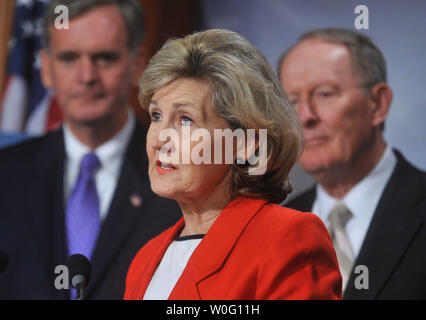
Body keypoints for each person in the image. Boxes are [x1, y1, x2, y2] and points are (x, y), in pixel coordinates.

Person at [123, 29, 342, 300]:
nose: (159, 139)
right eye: (156, 115)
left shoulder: (286, 238)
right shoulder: (145, 258)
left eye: (185, 120)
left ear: (244, 143)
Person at [0, 0, 181, 299]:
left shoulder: (182, 182)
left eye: (104, 58)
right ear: (46, 69)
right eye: (69, 57)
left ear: (138, 67)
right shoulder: (5, 176)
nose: (86, 76)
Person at [278, 28, 426, 299]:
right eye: (291, 101)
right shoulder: (279, 227)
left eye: (324, 94)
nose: (305, 117)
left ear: (377, 104)